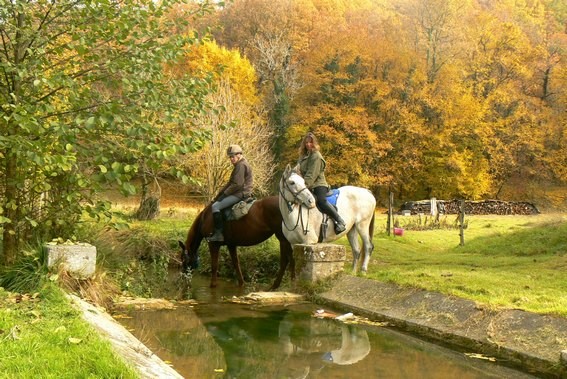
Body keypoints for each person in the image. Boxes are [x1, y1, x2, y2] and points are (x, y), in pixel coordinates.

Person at [297, 132, 346, 234]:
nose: (308, 145)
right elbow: (298, 170)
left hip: (318, 185)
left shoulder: (316, 156)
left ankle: (339, 221)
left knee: (321, 200)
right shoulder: (303, 156)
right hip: (306, 185)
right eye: (306, 143)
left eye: (310, 142)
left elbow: (311, 175)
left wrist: (303, 186)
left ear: (314, 143)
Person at [208, 144, 253, 242]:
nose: (231, 159)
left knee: (215, 207)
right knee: (217, 203)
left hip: (240, 193)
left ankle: (218, 234)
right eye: (230, 157)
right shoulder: (240, 165)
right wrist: (219, 194)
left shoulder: (241, 165)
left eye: (233, 156)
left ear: (239, 155)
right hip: (239, 192)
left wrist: (224, 195)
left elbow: (237, 184)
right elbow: (230, 183)